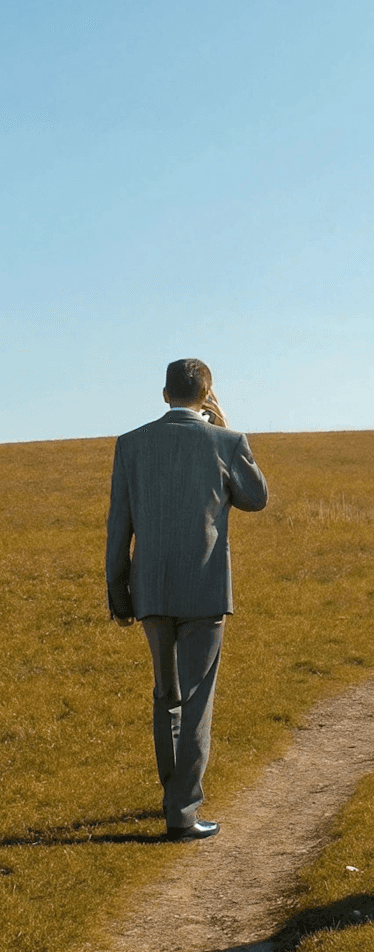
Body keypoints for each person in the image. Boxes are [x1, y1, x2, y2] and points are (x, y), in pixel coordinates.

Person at [106, 358, 268, 841]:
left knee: (166, 696)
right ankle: (182, 811)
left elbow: (119, 526)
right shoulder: (226, 441)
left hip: (151, 589)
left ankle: (174, 799)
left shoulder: (130, 444)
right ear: (207, 394)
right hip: (205, 590)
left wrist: (119, 593)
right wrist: (226, 425)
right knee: (196, 701)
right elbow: (256, 497)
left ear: (164, 394)